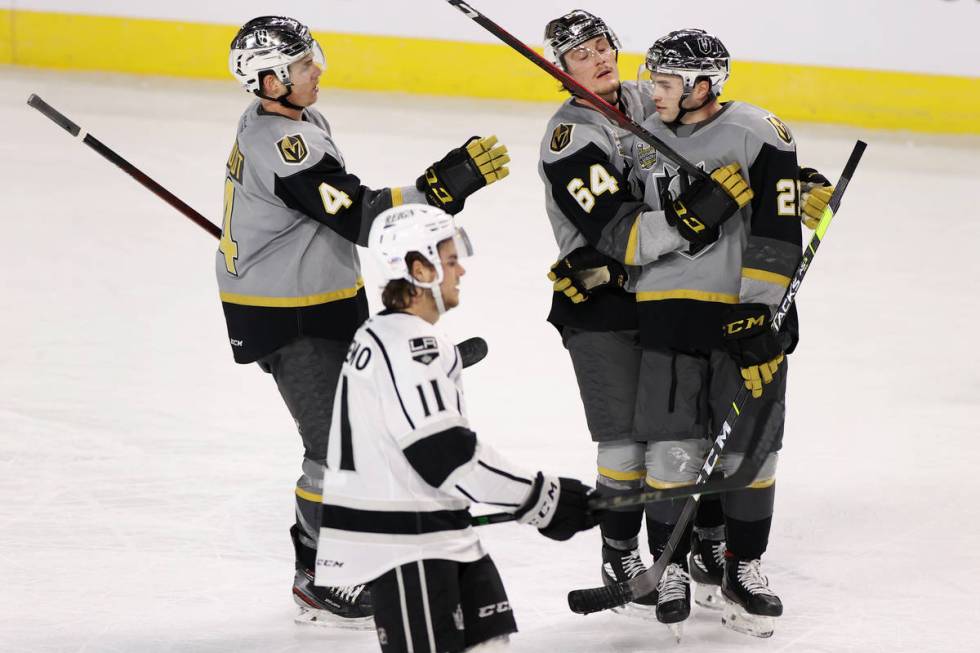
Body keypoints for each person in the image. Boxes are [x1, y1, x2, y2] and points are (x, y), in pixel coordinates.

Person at [217, 16, 510, 626]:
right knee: (330, 450)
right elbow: (363, 219)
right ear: (269, 80)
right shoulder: (283, 144)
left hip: (318, 299)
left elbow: (339, 206)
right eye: (303, 65)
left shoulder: (300, 122)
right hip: (287, 316)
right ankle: (317, 576)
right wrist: (443, 185)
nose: (317, 70)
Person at [315, 203, 598, 652]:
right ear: (419, 268)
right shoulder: (412, 344)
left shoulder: (380, 335)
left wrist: (541, 499)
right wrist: (542, 496)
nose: (460, 270)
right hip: (407, 545)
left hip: (439, 534)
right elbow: (444, 455)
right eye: (449, 260)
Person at [614, 28, 817, 638]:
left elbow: (779, 231)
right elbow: (624, 226)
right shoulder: (640, 139)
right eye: (654, 79)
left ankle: (743, 566)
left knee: (750, 452)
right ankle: (670, 567)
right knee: (670, 451)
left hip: (739, 319)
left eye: (669, 82)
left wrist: (760, 313)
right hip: (666, 315)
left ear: (705, 85)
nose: (656, 91)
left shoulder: (758, 132)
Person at [537, 10, 728, 626]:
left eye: (602, 46)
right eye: (581, 54)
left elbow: (727, 136)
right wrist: (695, 220)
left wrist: (786, 174)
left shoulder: (652, 96)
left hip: (665, 293)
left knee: (682, 433)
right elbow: (621, 235)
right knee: (625, 442)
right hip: (602, 303)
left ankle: (689, 545)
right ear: (560, 70)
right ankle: (619, 552)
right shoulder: (570, 139)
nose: (598, 58)